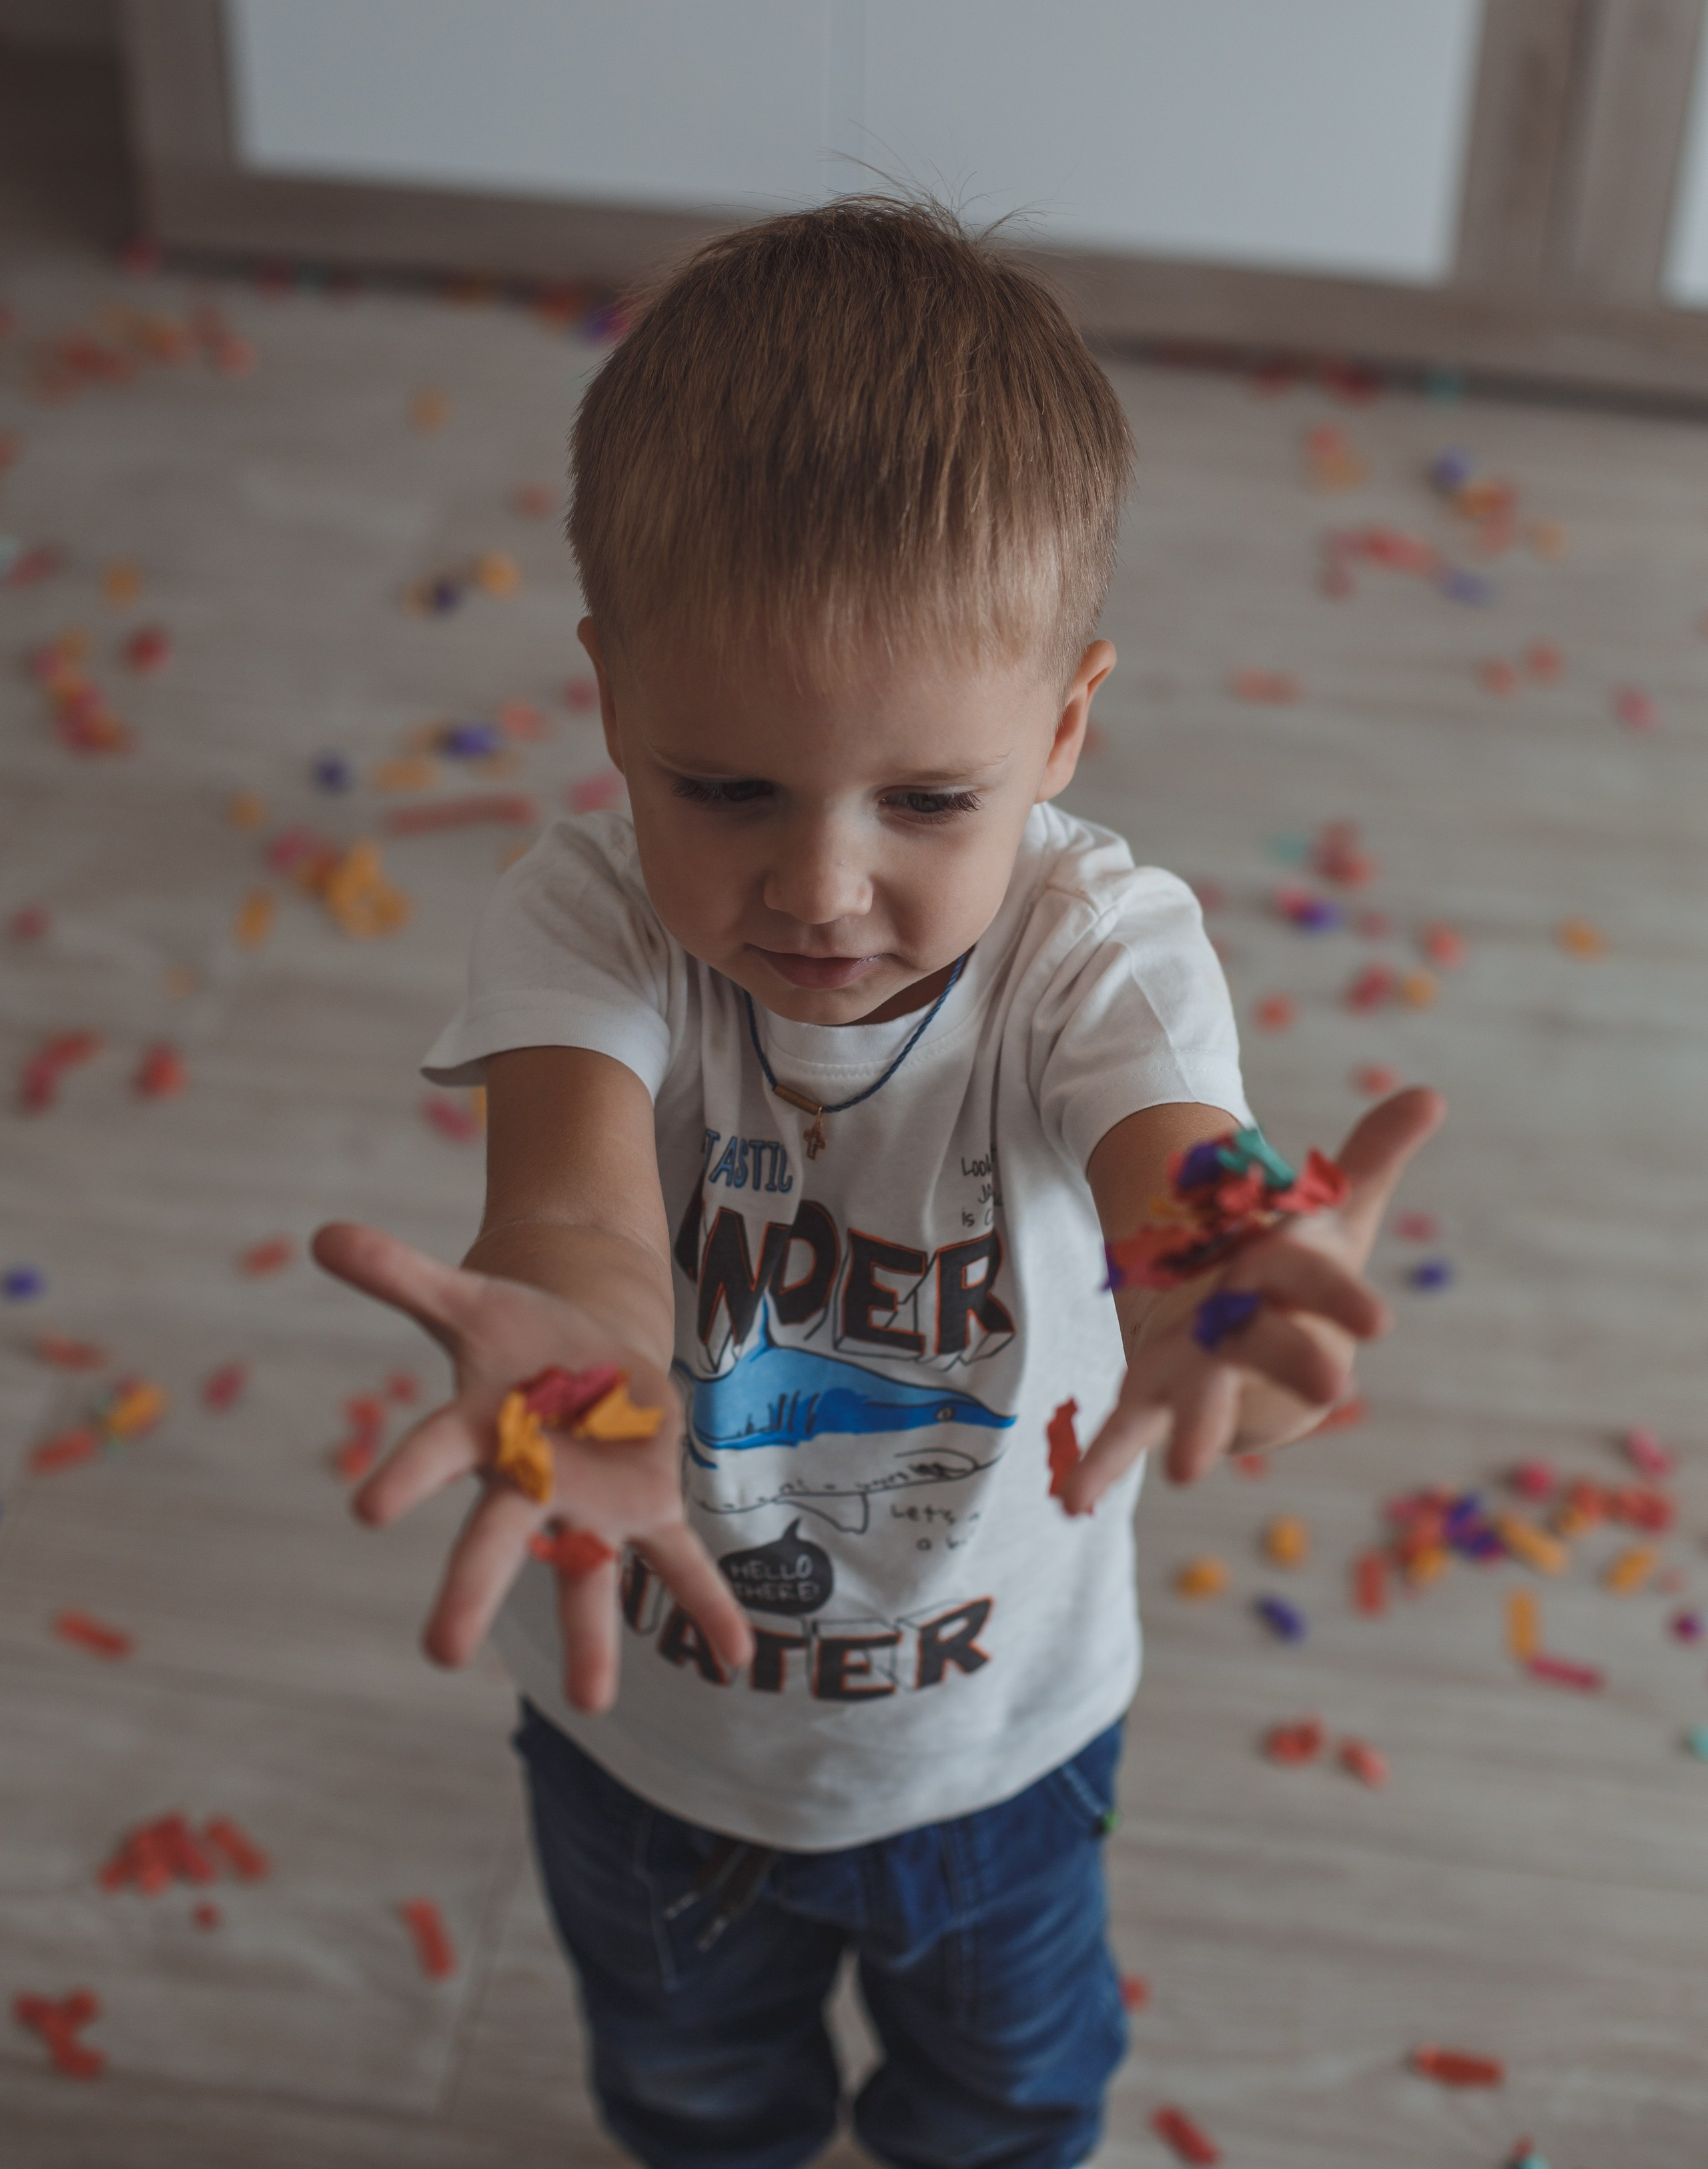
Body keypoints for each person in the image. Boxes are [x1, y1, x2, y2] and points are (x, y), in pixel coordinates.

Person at [314, 199, 1440, 2169]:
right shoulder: (585, 920)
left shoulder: (1101, 947)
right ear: (611, 704)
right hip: (646, 1751)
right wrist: (577, 1362)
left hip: (998, 1758)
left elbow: (1176, 1163)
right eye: (727, 787)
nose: (823, 888)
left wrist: (1228, 1268)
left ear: (1066, 724)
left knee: (1007, 2116)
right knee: (692, 2106)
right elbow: (575, 1212)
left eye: (928, 801)